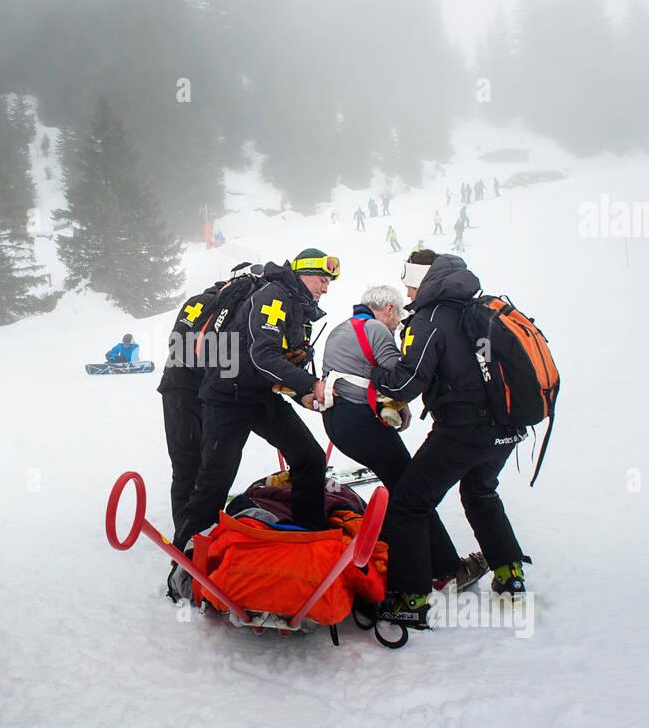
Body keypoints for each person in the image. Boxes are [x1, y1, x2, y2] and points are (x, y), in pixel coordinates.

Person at [367, 250, 530, 627]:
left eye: (409, 280)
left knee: (408, 503)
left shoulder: (434, 318)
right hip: (506, 428)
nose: (406, 291)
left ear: (424, 280)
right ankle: (510, 576)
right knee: (481, 492)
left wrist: (371, 375)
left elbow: (408, 381)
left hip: (463, 430)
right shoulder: (480, 308)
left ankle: (410, 598)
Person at [171, 249, 337, 554]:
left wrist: (305, 393)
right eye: (322, 279)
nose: (325, 287)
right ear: (302, 273)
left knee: (309, 457)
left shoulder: (298, 308)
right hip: (227, 397)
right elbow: (263, 356)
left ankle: (309, 536)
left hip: (259, 395)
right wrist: (311, 384)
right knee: (216, 477)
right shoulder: (274, 296)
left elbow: (282, 365)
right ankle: (187, 554)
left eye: (329, 282)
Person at [320, 285, 480, 592]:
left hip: (338, 421)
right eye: (399, 315)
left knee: (402, 487)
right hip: (361, 422)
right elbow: (402, 376)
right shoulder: (377, 330)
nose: (399, 323)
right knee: (411, 491)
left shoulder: (342, 329)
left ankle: (397, 552)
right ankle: (446, 569)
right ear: (388, 309)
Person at [158, 278, 227, 540]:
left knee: (201, 462)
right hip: (184, 389)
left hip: (196, 390)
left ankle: (198, 530)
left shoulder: (214, 303)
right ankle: (185, 538)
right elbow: (180, 344)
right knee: (188, 463)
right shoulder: (211, 303)